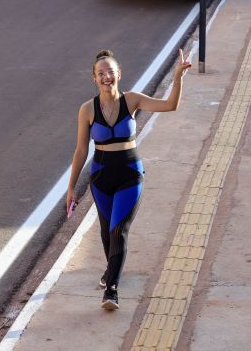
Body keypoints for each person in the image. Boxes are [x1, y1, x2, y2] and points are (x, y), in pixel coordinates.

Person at [66, 48, 192, 311]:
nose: (106, 77)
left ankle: (111, 290)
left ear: (118, 74)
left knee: (118, 230)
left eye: (110, 72)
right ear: (94, 78)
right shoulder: (86, 110)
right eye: (101, 73)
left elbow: (170, 105)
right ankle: (111, 270)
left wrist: (178, 76)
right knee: (105, 231)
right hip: (100, 176)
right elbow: (80, 150)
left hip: (129, 174)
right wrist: (70, 188)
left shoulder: (132, 100)